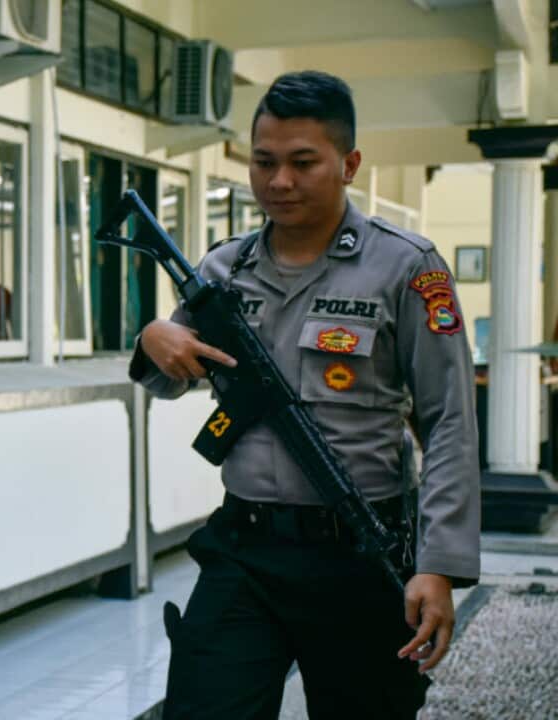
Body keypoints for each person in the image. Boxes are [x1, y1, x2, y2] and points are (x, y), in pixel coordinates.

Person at [129, 70, 479, 719]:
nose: (279, 181)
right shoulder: (223, 268)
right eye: (264, 162)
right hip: (245, 550)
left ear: (349, 164)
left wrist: (439, 564)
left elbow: (449, 420)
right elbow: (171, 374)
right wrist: (152, 338)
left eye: (302, 162)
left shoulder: (406, 267)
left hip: (359, 552)